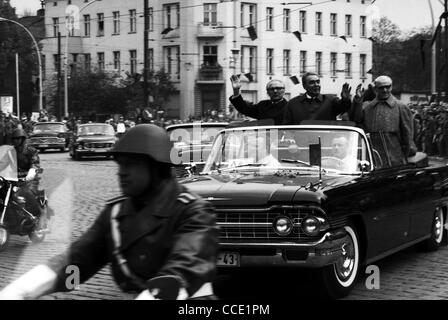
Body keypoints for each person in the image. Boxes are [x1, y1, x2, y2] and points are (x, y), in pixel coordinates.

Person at [0, 124, 219, 300]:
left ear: (156, 168)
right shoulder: (116, 214)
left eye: (131, 164)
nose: (121, 173)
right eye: (120, 164)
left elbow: (183, 269)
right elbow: (78, 261)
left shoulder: (193, 212)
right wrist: (22, 290)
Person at [352, 75, 417, 166]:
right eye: (381, 87)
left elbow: (407, 134)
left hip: (395, 157)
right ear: (375, 89)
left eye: (388, 87)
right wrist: (358, 100)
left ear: (391, 87)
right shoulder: (368, 107)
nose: (385, 90)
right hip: (374, 156)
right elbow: (357, 119)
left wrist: (405, 153)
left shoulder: (400, 107)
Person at [283, 72, 353, 125]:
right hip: (301, 142)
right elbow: (287, 125)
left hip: (326, 140)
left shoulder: (330, 100)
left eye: (318, 82)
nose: (316, 85)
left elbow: (344, 107)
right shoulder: (293, 103)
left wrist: (345, 100)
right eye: (312, 82)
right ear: (304, 86)